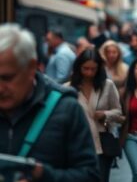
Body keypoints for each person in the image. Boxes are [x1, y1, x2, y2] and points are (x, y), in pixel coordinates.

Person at [0, 23, 100, 180]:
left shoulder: (66, 109)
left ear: (31, 68)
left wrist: (44, 176)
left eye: (7, 78)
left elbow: (90, 175)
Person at [69, 48, 124, 182]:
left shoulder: (107, 86)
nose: (89, 73)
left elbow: (119, 113)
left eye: (93, 69)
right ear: (78, 68)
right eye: (85, 68)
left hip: (102, 144)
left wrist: (105, 114)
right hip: (77, 145)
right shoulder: (68, 88)